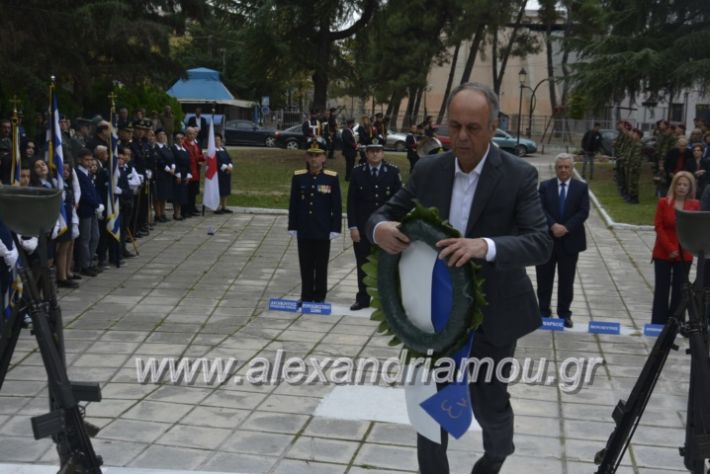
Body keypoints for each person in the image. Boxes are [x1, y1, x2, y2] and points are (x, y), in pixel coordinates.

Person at [367, 82, 551, 474]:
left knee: (489, 400)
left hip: (495, 314)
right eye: (455, 127)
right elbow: (384, 213)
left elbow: (539, 242)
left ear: (495, 125)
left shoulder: (519, 175)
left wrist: (485, 246)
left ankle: (496, 456)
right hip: (436, 313)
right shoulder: (429, 169)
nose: (462, 137)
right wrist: (379, 229)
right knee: (431, 400)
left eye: (474, 127)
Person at [535, 154, 590, 328]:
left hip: (570, 241)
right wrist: (553, 225)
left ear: (572, 168)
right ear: (555, 168)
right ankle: (543, 311)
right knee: (544, 278)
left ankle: (564, 313)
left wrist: (565, 228)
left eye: (567, 167)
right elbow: (539, 208)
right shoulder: (545, 186)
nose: (563, 170)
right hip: (548, 241)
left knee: (567, 280)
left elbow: (583, 212)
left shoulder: (581, 188)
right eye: (560, 167)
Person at [347, 143, 401, 310]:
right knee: (363, 263)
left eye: (378, 151)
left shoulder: (392, 172)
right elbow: (351, 202)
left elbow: (399, 202)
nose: (375, 155)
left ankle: (387, 301)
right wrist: (353, 227)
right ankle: (363, 298)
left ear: (383, 154)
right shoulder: (357, 172)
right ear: (366, 154)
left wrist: (398, 227)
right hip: (363, 228)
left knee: (388, 264)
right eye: (371, 152)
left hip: (386, 228)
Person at [288, 141, 342, 304]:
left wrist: (335, 228)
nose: (314, 159)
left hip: (322, 228)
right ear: (306, 157)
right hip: (304, 228)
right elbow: (294, 204)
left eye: (317, 155)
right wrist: (293, 225)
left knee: (320, 264)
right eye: (311, 155)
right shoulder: (298, 177)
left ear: (324, 158)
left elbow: (336, 205)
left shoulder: (331, 178)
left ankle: (319, 296)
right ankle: (306, 295)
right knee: (305, 263)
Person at [651, 171, 700, 325]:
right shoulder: (664, 202)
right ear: (674, 185)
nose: (681, 187)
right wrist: (670, 248)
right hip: (663, 251)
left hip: (684, 253)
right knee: (662, 289)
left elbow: (693, 229)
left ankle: (676, 323)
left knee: (680, 290)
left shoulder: (695, 205)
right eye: (679, 184)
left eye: (685, 185)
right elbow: (659, 227)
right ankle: (658, 323)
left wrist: (680, 249)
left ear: (690, 187)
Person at [75, 149, 103, 276]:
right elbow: (84, 194)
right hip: (85, 210)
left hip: (93, 209)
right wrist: (95, 203)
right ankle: (84, 265)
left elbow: (94, 190)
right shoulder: (78, 174)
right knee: (85, 238)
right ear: (80, 160)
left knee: (95, 236)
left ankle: (90, 260)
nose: (89, 162)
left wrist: (99, 203)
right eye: (86, 160)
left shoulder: (88, 173)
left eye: (91, 159)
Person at [214, 133, 234, 214]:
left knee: (225, 191)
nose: (217, 142)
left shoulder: (223, 149)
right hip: (219, 173)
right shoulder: (213, 151)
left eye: (218, 140)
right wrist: (225, 168)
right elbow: (216, 162)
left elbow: (229, 159)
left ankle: (224, 207)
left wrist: (230, 166)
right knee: (219, 190)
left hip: (226, 173)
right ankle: (216, 207)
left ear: (221, 141)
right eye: (215, 140)